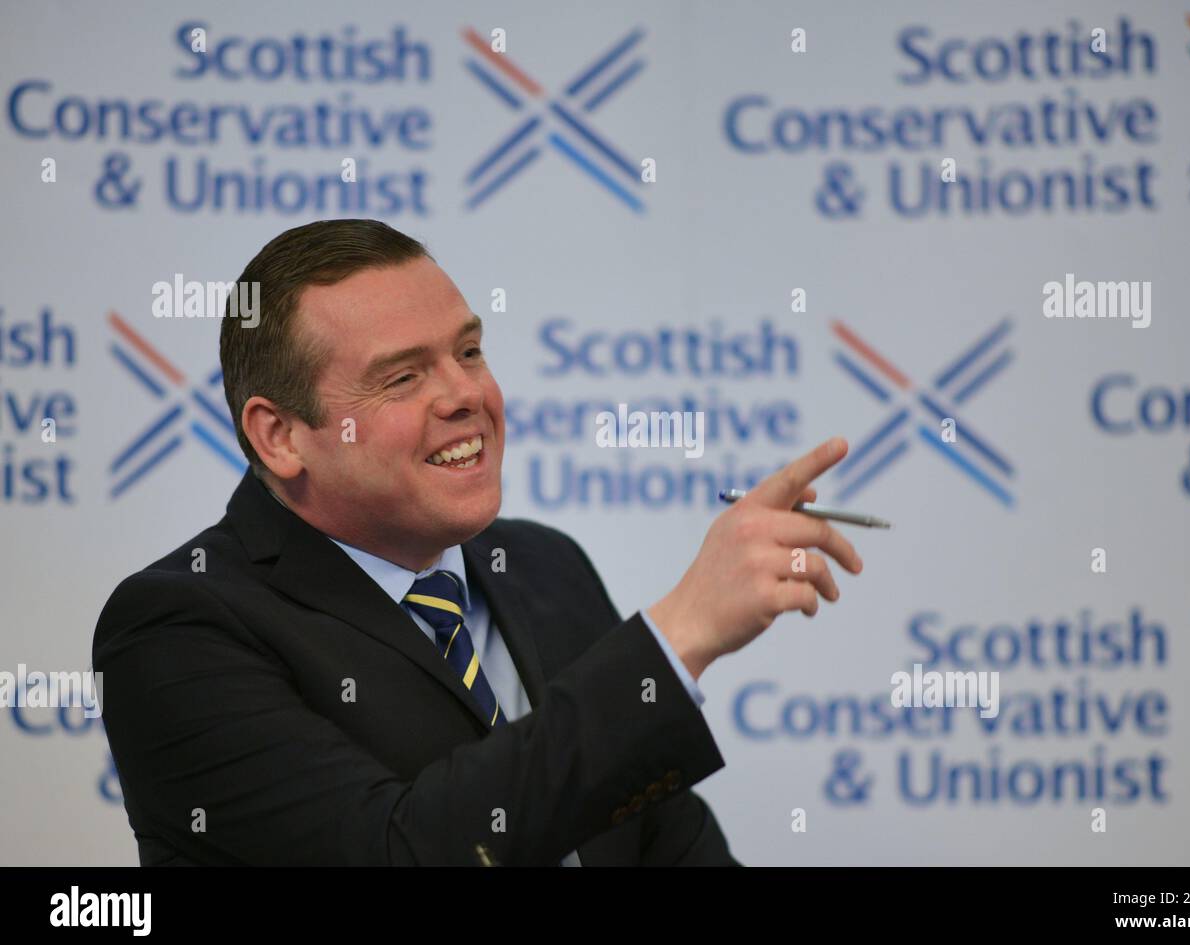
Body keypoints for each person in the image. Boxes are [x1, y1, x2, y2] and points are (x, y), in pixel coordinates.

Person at [92, 219, 863, 866]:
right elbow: (401, 854)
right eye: (401, 378)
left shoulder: (543, 567)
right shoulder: (177, 630)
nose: (466, 395)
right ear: (280, 435)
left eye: (467, 352)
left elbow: (669, 845)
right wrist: (677, 639)